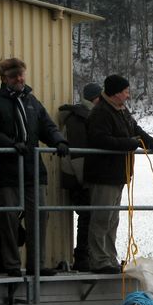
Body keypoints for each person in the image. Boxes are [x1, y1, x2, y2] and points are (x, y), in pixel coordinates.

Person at [0, 57, 69, 277]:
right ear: (4, 78)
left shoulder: (31, 101)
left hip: (32, 168)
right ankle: (11, 264)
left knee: (38, 216)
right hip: (5, 170)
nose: (19, 79)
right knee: (8, 217)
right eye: (13, 76)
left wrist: (58, 140)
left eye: (21, 74)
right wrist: (10, 144)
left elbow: (46, 125)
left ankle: (36, 264)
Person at [85, 74, 153, 274]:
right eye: (126, 91)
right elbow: (101, 140)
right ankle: (99, 260)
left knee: (112, 219)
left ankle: (109, 258)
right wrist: (130, 143)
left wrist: (151, 142)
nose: (128, 95)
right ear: (116, 93)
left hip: (118, 173)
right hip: (103, 174)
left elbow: (134, 129)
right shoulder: (100, 112)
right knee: (102, 218)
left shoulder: (120, 110)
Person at [58, 82, 102, 271]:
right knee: (87, 217)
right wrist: (86, 181)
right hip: (80, 178)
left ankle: (87, 257)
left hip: (80, 176)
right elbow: (78, 155)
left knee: (88, 217)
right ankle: (83, 259)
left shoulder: (84, 116)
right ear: (96, 99)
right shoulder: (79, 119)